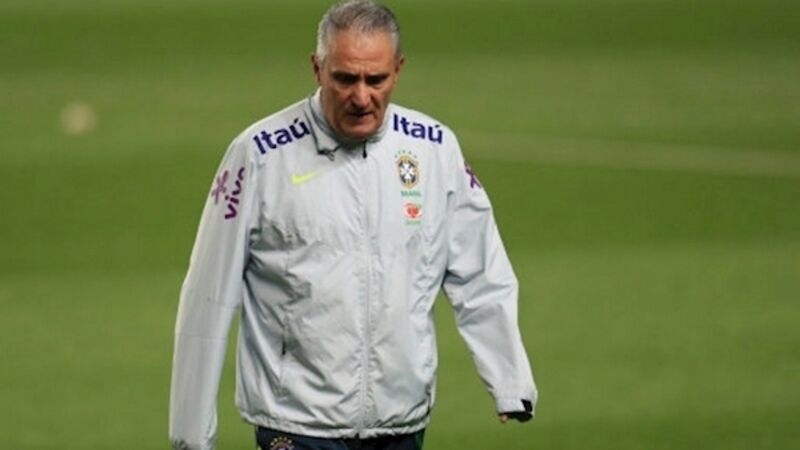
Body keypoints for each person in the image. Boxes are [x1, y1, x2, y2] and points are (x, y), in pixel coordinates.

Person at [169, 1, 537, 449]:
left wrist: (510, 378)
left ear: (398, 70)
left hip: (400, 420)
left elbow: (481, 272)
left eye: (375, 79)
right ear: (317, 68)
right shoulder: (260, 154)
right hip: (296, 422)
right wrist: (191, 434)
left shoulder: (435, 149)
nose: (361, 97)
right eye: (345, 78)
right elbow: (208, 294)